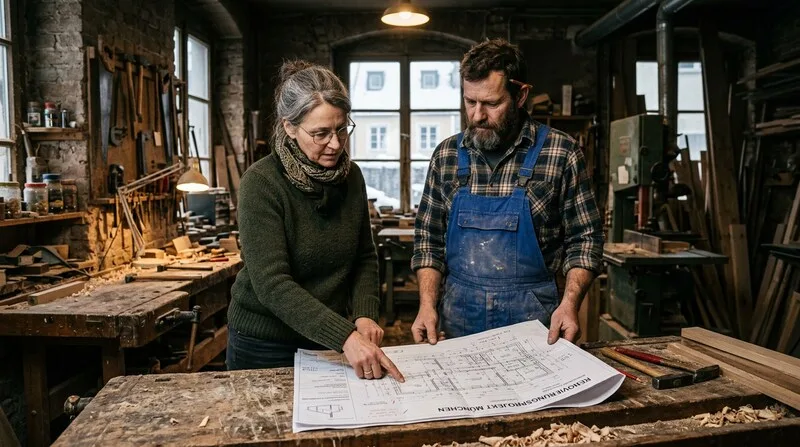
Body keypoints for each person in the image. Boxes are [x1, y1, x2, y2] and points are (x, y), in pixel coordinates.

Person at [411, 39, 603, 345]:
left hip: (537, 328)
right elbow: (428, 240)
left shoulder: (561, 153)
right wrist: (426, 305)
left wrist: (569, 304)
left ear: (521, 96)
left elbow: (585, 240)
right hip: (458, 325)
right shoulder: (446, 155)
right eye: (470, 102)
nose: (477, 115)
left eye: (491, 103)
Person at [227, 60, 404, 382]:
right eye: (321, 133)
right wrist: (346, 337)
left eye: (341, 129)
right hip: (265, 343)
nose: (335, 144)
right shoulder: (261, 182)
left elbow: (364, 256)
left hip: (327, 335)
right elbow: (272, 284)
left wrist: (365, 313)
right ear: (289, 127)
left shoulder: (351, 178)